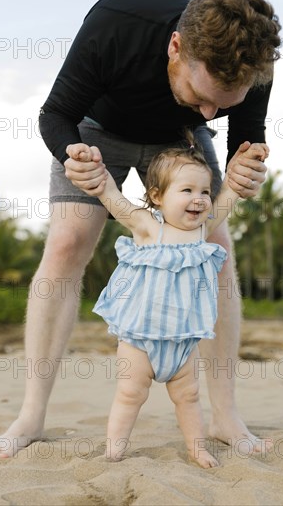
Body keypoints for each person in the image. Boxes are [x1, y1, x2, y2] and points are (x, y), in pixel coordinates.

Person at [0, 0, 281, 458]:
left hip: (178, 142)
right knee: (67, 242)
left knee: (218, 252)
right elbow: (55, 115)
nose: (211, 111)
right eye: (202, 94)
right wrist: (73, 155)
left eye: (222, 105)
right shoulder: (118, 23)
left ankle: (225, 416)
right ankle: (31, 414)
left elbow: (244, 144)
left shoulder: (251, 61)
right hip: (96, 126)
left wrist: (245, 172)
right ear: (175, 47)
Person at [66, 138, 269, 468]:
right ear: (158, 197)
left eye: (204, 192)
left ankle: (197, 449)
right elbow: (113, 197)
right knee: (130, 394)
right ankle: (114, 450)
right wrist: (96, 169)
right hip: (140, 341)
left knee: (189, 397)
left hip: (183, 342)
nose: (199, 199)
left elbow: (229, 194)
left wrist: (242, 164)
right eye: (186, 190)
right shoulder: (148, 228)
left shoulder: (202, 232)